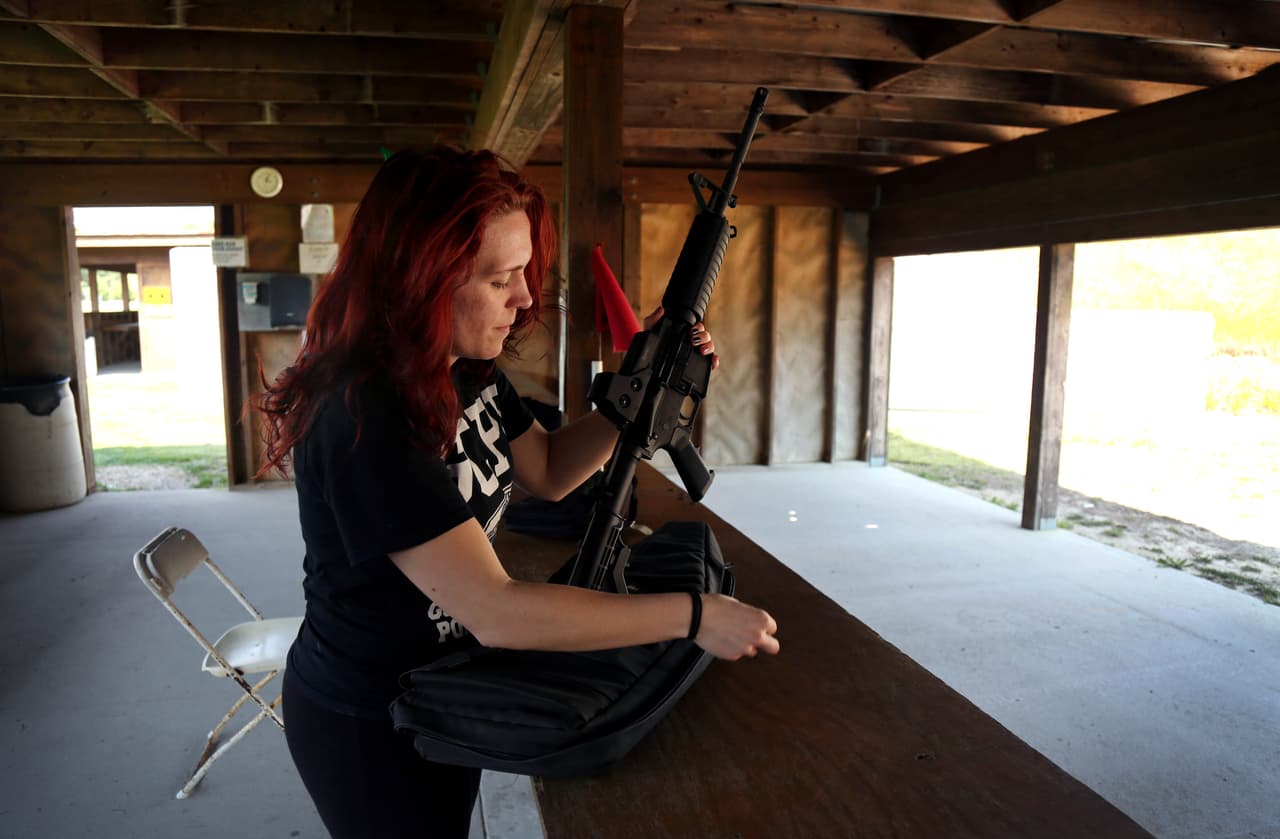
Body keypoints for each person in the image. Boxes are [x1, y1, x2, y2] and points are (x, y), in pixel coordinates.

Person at [255, 146, 779, 839]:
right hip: (370, 716)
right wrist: (693, 614)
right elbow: (498, 610)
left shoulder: (464, 368)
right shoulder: (365, 418)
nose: (526, 298)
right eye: (501, 279)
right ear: (423, 280)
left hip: (451, 686)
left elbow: (553, 469)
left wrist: (643, 384)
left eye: (524, 273)